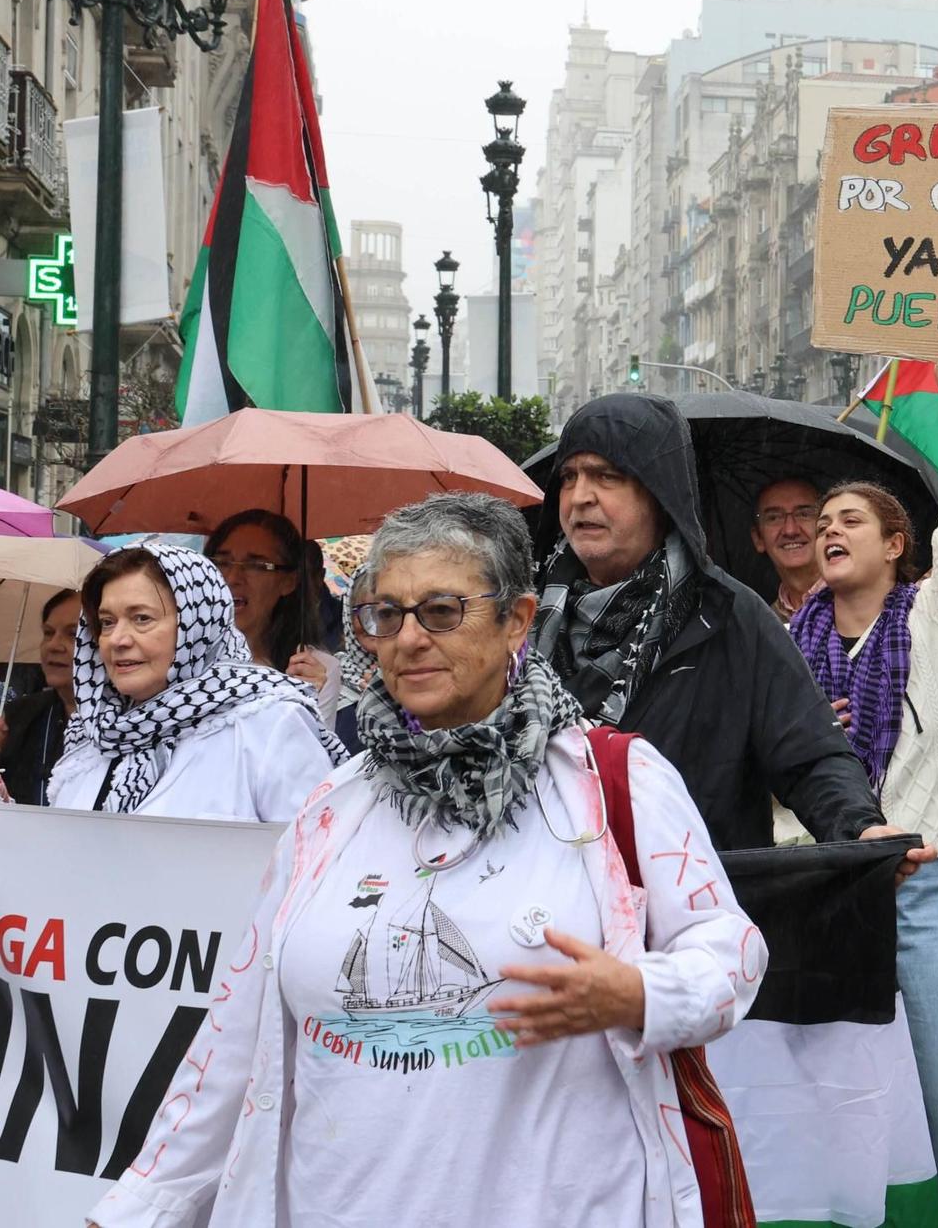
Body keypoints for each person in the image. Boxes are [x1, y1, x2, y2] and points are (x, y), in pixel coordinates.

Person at [88, 492, 766, 1228]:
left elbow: (730, 951)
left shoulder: (609, 784)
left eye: (442, 610)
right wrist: (134, 1210)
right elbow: (235, 1042)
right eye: (386, 613)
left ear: (517, 618)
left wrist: (640, 993)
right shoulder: (331, 807)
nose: (408, 638)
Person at [790, 337, 938, 1228]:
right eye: (822, 519)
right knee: (835, 1092)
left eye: (851, 519)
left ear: (896, 543)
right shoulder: (787, 644)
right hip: (828, 884)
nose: (829, 529)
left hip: (931, 883)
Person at [531, 389, 905, 856]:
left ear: (657, 492)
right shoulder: (523, 621)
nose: (581, 497)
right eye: (569, 477)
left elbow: (810, 754)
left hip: (695, 904)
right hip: (549, 906)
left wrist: (858, 828)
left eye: (607, 476)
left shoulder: (727, 614)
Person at [46, 545, 345, 822]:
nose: (118, 640)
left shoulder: (267, 724)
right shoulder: (91, 736)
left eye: (141, 618)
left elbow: (311, 858)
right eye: (108, 622)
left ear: (196, 626)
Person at [205, 509, 341, 726]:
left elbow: (309, 758)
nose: (232, 578)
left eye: (256, 566)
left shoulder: (314, 670)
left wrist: (302, 704)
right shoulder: (183, 660)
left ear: (288, 582)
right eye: (222, 562)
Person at [0, 588, 80, 804]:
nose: (54, 645)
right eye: (48, 632)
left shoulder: (126, 727)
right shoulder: (18, 717)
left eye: (73, 633)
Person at [752, 475, 824, 621]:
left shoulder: (863, 601)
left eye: (803, 514)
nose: (790, 530)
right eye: (774, 518)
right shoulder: (762, 627)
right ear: (758, 539)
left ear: (825, 526)